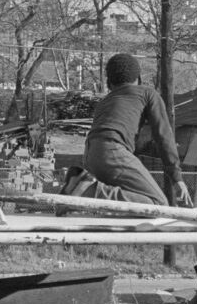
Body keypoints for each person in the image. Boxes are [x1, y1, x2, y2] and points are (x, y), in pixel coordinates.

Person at [61, 53, 190, 207]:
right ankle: (89, 191)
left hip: (90, 155)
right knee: (158, 203)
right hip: (113, 151)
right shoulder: (147, 94)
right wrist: (177, 178)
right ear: (139, 78)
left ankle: (80, 188)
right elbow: (163, 137)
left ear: (109, 83)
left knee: (129, 200)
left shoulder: (105, 101)